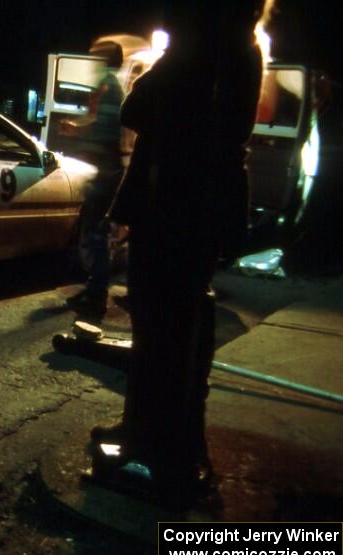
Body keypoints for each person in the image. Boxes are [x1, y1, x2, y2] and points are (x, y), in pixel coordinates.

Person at [90, 0, 269, 505]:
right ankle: (149, 435)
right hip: (195, 208)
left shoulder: (202, 51)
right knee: (169, 328)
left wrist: (152, 73)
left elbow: (137, 109)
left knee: (161, 331)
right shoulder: (238, 46)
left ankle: (157, 447)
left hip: (174, 206)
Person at [64, 44, 125, 319]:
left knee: (97, 232)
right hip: (105, 168)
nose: (92, 59)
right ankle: (94, 289)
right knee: (94, 229)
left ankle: (96, 294)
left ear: (106, 59)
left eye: (97, 55)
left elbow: (107, 130)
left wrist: (77, 132)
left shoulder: (108, 86)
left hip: (107, 169)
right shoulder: (108, 85)